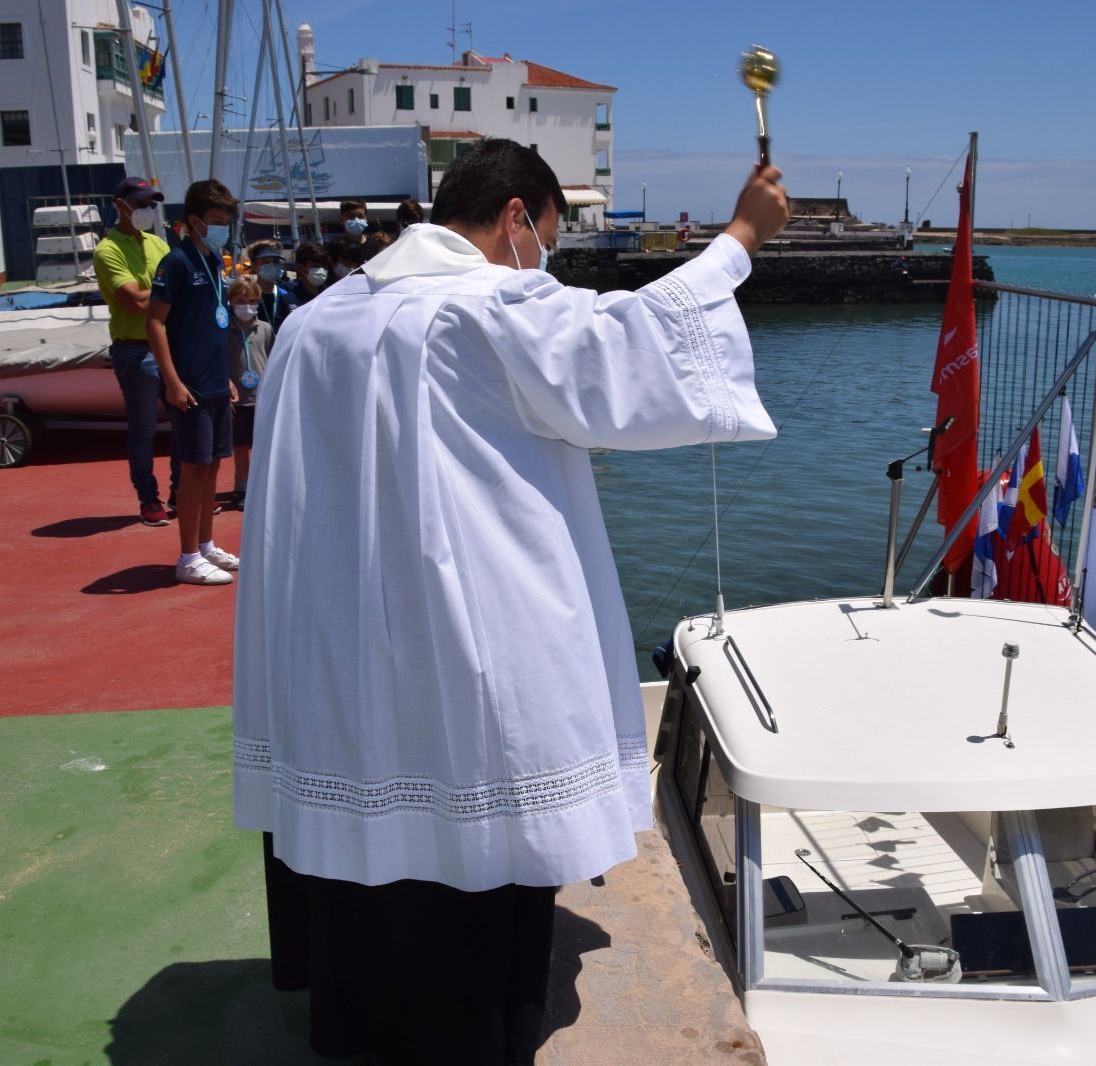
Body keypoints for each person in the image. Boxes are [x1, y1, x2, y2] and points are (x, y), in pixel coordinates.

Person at [232, 138, 787, 1063]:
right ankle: (472, 1032)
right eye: (549, 240)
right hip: (455, 629)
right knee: (470, 807)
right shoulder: (485, 306)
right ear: (517, 219)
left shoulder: (316, 320)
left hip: (333, 631)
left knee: (367, 817)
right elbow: (629, 350)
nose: (548, 265)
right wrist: (740, 238)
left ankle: (358, 1011)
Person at [147, 179, 242, 587]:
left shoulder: (216, 262)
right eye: (217, 222)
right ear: (194, 221)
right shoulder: (178, 262)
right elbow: (154, 322)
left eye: (227, 223)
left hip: (215, 383)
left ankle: (205, 544)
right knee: (193, 469)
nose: (223, 230)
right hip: (190, 387)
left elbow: (212, 324)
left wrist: (225, 376)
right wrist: (171, 380)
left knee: (213, 467)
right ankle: (186, 556)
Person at [93, 175, 177, 527]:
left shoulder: (159, 244)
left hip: (171, 346)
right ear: (120, 205)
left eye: (151, 204)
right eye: (141, 203)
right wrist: (164, 292)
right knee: (143, 429)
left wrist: (154, 294)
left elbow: (159, 294)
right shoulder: (106, 250)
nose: (147, 210)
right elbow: (132, 302)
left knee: (183, 422)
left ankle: (181, 491)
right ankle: (148, 498)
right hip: (134, 351)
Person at [223, 275, 273, 509]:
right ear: (231, 301)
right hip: (238, 399)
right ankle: (241, 486)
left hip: (262, 399)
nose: (247, 306)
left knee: (264, 445)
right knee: (241, 446)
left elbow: (273, 359)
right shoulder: (224, 329)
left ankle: (262, 486)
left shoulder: (264, 328)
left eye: (252, 301)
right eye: (241, 301)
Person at [243, 239, 296, 331]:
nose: (272, 265)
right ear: (254, 266)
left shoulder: (287, 296)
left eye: (276, 261)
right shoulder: (245, 297)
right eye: (265, 262)